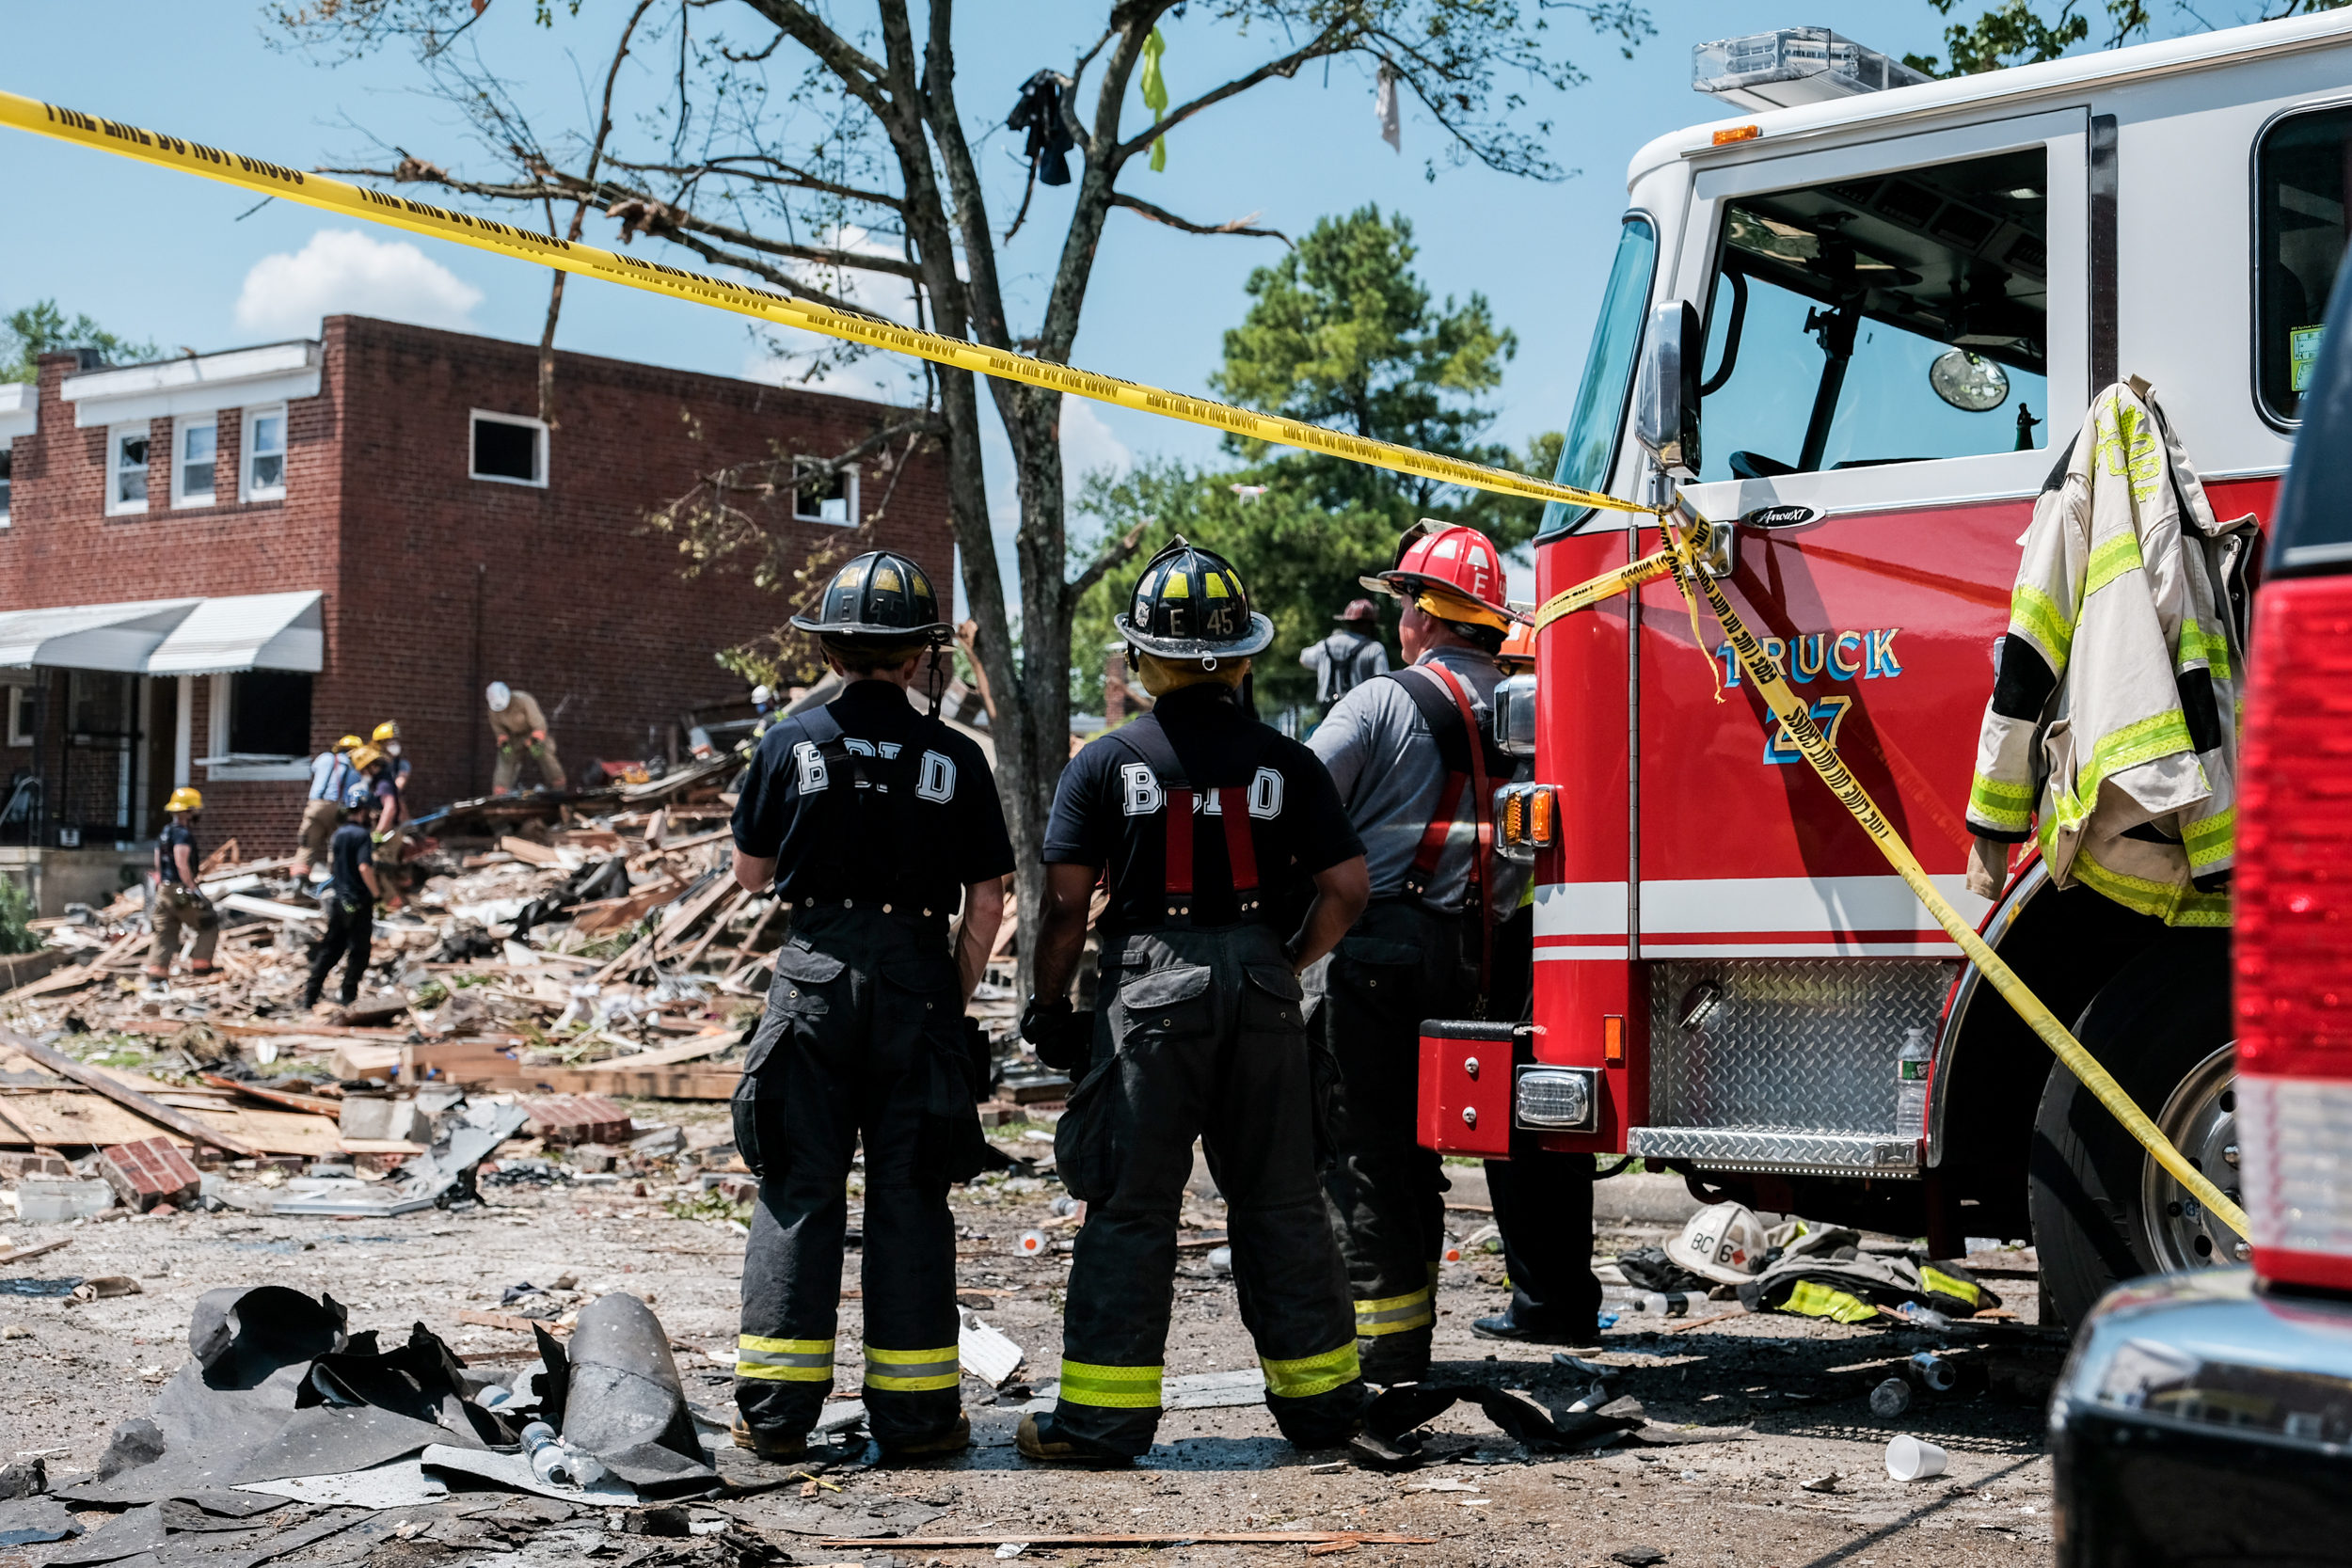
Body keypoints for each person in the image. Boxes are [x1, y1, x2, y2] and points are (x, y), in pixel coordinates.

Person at [1017, 537, 1372, 1465]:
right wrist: (1284, 962)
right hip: (1258, 984)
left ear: (1142, 657)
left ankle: (1099, 1420)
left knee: (1131, 1208)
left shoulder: (1103, 763)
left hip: (1144, 992)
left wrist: (1050, 1006)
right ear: (1244, 655)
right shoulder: (1286, 763)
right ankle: (1326, 1408)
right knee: (1284, 1202)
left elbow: (1062, 904)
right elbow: (1347, 887)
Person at [727, 549, 1011, 1464]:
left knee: (797, 1189)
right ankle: (920, 1417)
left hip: (811, 974)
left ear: (833, 646)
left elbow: (750, 873)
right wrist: (944, 998)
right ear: (921, 652)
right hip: (918, 980)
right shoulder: (957, 756)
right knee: (911, 1195)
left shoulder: (788, 741)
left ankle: (773, 1417)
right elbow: (991, 896)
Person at [1305, 519, 1552, 1383]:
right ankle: (1406, 1336)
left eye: (1403, 601)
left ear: (1423, 614)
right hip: (1470, 957)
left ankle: (1383, 1352)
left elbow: (1296, 806)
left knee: (1367, 1150)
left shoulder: (1381, 700)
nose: (1397, 618)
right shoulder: (1533, 713)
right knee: (1422, 1151)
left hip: (1374, 949)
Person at [302, 780, 382, 1011]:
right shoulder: (362, 836)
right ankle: (348, 996)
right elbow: (364, 868)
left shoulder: (338, 835)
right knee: (359, 951)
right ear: (365, 810)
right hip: (358, 901)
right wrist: (376, 893)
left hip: (338, 900)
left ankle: (310, 996)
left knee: (331, 949)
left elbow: (334, 867)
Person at [146, 786, 219, 988]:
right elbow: (181, 861)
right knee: (208, 923)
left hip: (164, 890)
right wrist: (192, 889)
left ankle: (157, 976)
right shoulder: (182, 834)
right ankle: (201, 969)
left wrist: (163, 885)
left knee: (165, 932)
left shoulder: (165, 833)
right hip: (180, 889)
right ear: (190, 810)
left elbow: (158, 862)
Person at [1298, 598, 1391, 718]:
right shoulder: (1375, 648)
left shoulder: (1326, 645)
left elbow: (1304, 658)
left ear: (1346, 621)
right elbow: (1383, 685)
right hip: (1359, 713)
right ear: (1370, 624)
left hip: (1328, 711)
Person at [294, 735, 363, 879]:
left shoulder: (324, 758)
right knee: (336, 846)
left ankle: (298, 884)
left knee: (307, 846)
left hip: (316, 806)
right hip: (340, 808)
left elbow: (314, 771)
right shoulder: (356, 767)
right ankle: (334, 881)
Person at [486, 683, 567, 794]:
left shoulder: (524, 700)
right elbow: (500, 732)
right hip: (514, 738)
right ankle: (500, 791)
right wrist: (504, 743)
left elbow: (540, 726)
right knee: (505, 755)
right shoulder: (493, 710)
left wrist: (534, 740)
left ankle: (558, 785)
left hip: (532, 734)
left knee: (540, 751)